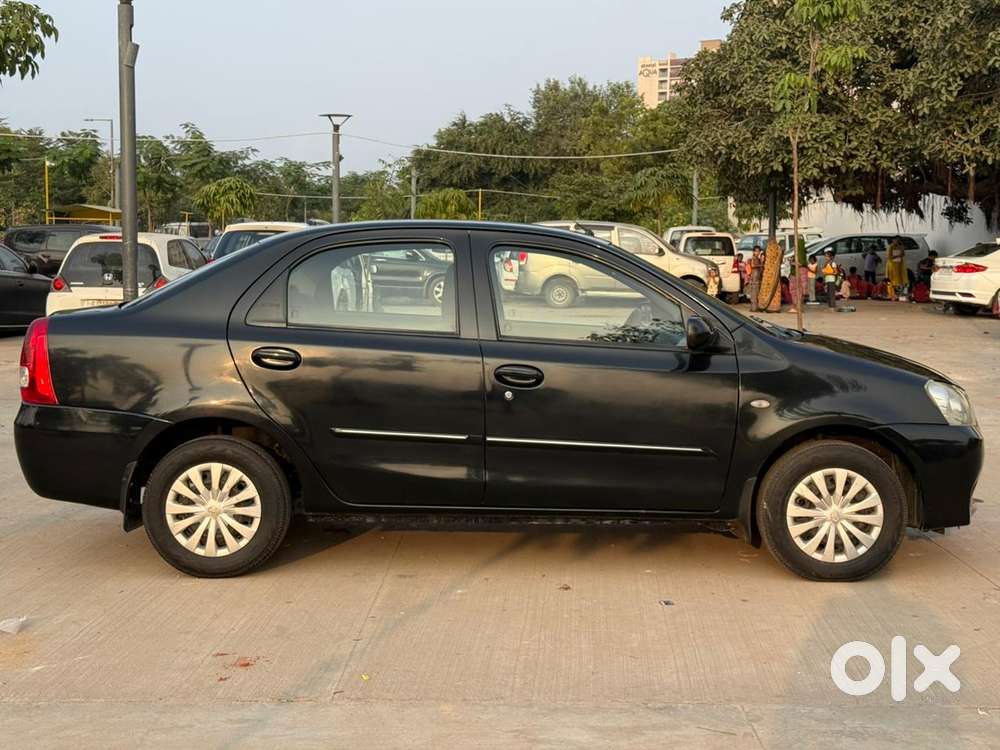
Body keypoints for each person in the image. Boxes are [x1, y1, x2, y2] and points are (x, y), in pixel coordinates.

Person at [747, 246, 763, 311]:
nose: (758, 252)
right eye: (756, 251)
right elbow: (753, 265)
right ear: (753, 252)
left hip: (756, 276)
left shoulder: (757, 258)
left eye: (759, 251)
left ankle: (754, 307)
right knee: (754, 292)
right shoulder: (753, 258)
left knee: (756, 292)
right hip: (754, 276)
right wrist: (761, 265)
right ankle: (754, 308)